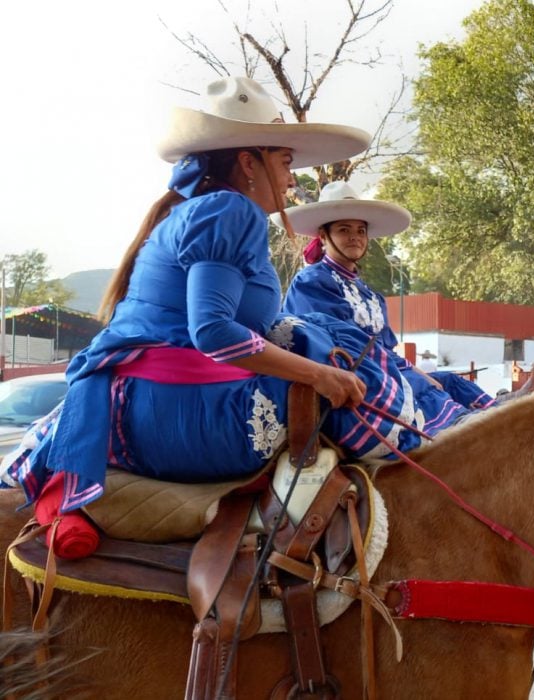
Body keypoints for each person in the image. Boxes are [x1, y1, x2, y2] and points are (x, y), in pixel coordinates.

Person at [1, 77, 423, 557]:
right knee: (351, 384)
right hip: (174, 411)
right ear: (248, 162)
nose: (292, 180)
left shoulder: (201, 209)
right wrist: (319, 374)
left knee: (330, 354)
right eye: (285, 163)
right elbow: (214, 332)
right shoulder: (230, 209)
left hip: (143, 403)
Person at [280, 181, 496, 422]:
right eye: (344, 230)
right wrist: (414, 377)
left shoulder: (370, 294)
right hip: (350, 376)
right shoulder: (312, 281)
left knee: (449, 381)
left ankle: (500, 414)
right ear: (323, 236)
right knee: (428, 394)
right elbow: (336, 348)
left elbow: (386, 350)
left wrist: (418, 373)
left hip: (383, 370)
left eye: (360, 231)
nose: (354, 238)